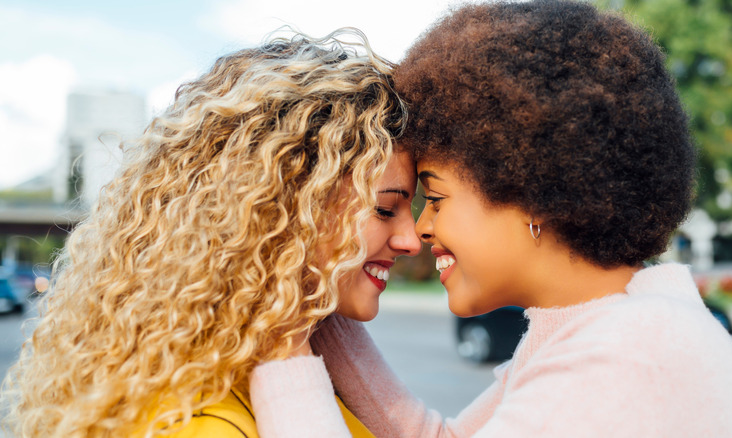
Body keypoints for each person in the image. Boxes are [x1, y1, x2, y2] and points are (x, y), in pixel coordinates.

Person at [248, 1, 732, 437]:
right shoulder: (612, 326)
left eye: (437, 199)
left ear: (535, 191)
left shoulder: (635, 354)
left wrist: (281, 351)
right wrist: (305, 289)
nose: (420, 229)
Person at [0, 29, 421, 438]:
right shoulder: (206, 424)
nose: (412, 240)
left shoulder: (308, 361)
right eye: (385, 209)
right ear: (287, 205)